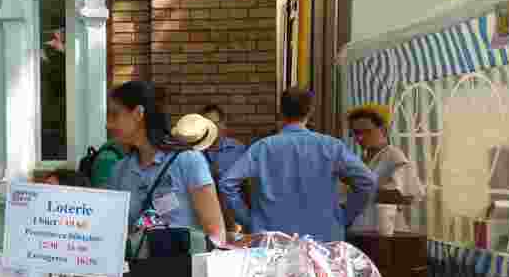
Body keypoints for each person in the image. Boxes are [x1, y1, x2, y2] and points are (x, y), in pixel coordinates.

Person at [220, 87, 376, 243]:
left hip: (272, 242)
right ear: (310, 111)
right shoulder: (331, 146)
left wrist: (249, 220)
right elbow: (367, 181)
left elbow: (227, 183)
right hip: (324, 240)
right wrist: (344, 217)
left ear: (281, 111)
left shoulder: (262, 148)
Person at [105, 81, 226, 248]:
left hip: (185, 270)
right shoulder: (119, 170)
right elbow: (111, 235)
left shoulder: (188, 161)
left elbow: (216, 235)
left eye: (115, 114)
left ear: (138, 114)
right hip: (137, 271)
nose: (108, 124)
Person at [346, 103, 425, 233]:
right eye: (356, 133)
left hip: (385, 234)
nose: (360, 138)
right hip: (360, 232)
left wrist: (366, 193)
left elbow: (410, 195)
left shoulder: (393, 156)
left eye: (367, 131)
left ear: (383, 130)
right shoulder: (361, 159)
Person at [201, 103, 247, 232]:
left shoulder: (238, 150)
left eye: (215, 123)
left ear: (223, 124)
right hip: (205, 221)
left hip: (235, 219)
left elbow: (249, 187)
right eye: (207, 124)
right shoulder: (194, 154)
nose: (211, 129)